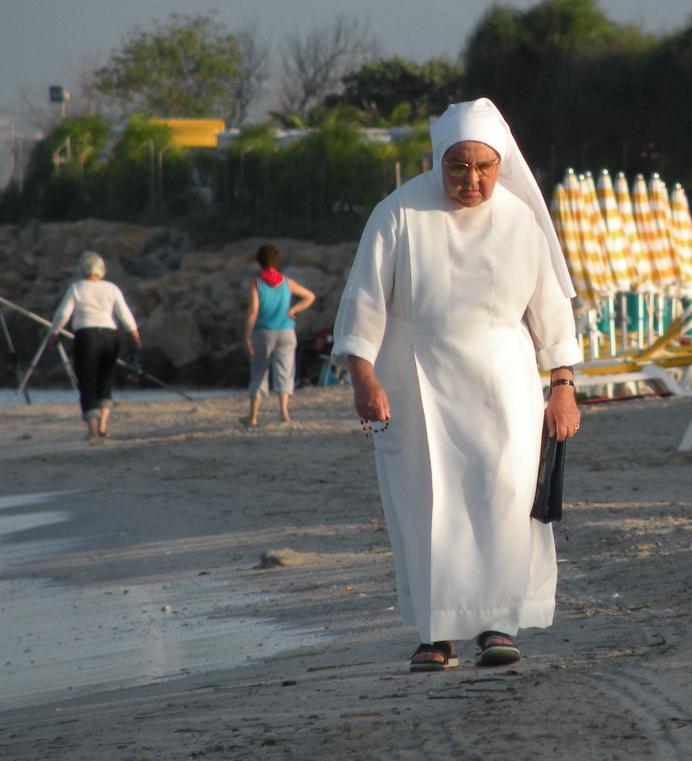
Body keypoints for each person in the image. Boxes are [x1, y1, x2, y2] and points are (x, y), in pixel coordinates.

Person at [333, 98, 581, 672]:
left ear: (501, 163)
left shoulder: (522, 219)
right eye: (458, 167)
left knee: (503, 494)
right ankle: (434, 635)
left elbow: (551, 309)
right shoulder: (398, 212)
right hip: (414, 375)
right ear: (438, 160)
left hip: (505, 379)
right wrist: (362, 374)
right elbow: (365, 298)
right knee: (425, 501)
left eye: (484, 167)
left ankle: (499, 625)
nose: (472, 180)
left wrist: (563, 383)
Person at [45, 251, 140, 443]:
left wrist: (55, 333)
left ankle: (93, 431)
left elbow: (63, 313)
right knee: (106, 379)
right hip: (110, 336)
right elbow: (124, 315)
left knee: (87, 381)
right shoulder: (111, 288)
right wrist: (134, 334)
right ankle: (104, 425)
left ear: (82, 269)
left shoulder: (77, 288)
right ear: (102, 270)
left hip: (86, 336)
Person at [242, 244, 316, 427]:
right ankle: (283, 412)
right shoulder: (286, 281)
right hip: (286, 331)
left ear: (259, 261)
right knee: (285, 371)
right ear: (276, 260)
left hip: (263, 331)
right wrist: (293, 309)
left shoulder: (257, 282)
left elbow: (253, 311)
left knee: (259, 371)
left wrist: (246, 336)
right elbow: (309, 296)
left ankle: (252, 416)